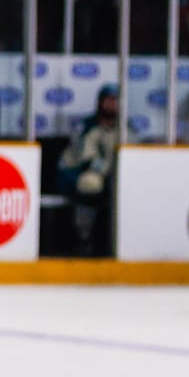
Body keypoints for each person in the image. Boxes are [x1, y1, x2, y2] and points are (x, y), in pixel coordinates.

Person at [60, 84, 121, 256]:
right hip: (74, 174)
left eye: (114, 101)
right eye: (108, 100)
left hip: (109, 177)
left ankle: (114, 238)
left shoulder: (123, 128)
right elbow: (87, 161)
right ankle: (84, 237)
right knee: (91, 183)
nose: (111, 105)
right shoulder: (88, 127)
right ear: (100, 102)